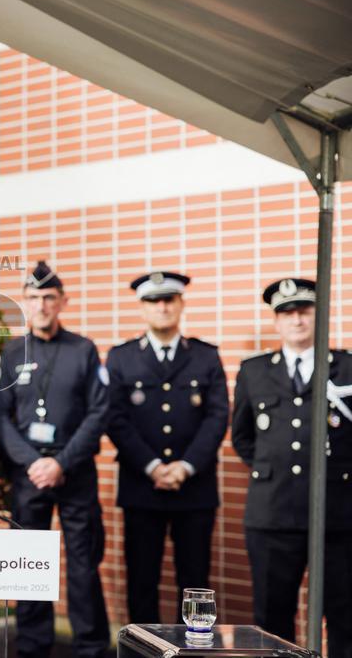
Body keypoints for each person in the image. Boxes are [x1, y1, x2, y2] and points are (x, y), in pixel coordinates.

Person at [0, 260, 109, 658]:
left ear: (63, 302)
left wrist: (61, 463)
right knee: (29, 567)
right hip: (28, 475)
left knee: (82, 565)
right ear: (24, 302)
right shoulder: (9, 353)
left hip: (73, 473)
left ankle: (91, 646)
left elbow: (98, 412)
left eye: (49, 298)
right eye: (34, 298)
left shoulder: (83, 350)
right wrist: (33, 462)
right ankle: (33, 645)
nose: (41, 305)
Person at [232, 278, 352, 653]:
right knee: (272, 616)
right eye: (286, 312)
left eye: (304, 311)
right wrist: (276, 472)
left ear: (319, 316)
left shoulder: (347, 367)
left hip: (338, 515)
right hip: (273, 515)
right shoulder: (254, 371)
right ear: (276, 321)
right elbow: (243, 437)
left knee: (344, 613)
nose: (296, 319)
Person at [104, 272, 228, 623]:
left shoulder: (206, 357)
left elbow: (218, 417)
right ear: (142, 308)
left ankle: (194, 649)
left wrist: (185, 466)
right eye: (153, 301)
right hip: (142, 485)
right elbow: (115, 418)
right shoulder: (120, 358)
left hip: (195, 487)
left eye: (169, 299)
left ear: (181, 304)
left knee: (195, 583)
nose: (162, 307)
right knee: (142, 581)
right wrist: (153, 466)